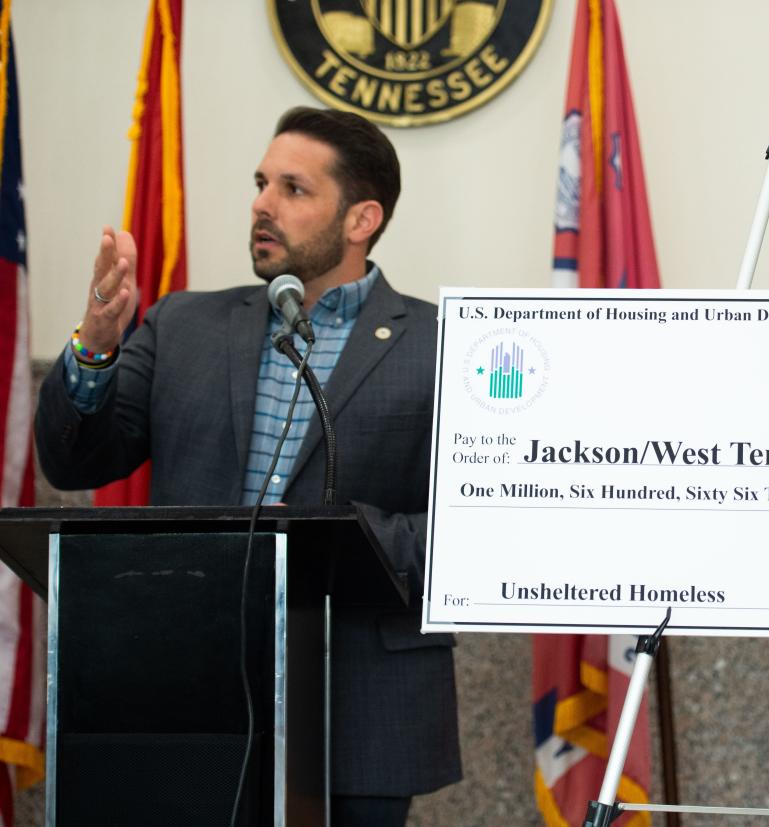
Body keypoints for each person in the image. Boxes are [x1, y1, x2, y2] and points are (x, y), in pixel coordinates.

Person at [35, 107, 461, 825]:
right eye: (262, 182)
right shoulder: (183, 324)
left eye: (294, 189)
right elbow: (76, 457)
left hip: (364, 702)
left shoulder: (443, 346)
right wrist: (96, 346)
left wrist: (343, 538)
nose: (262, 203)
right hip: (187, 687)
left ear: (361, 219)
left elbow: (467, 527)